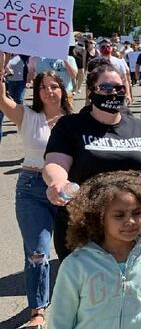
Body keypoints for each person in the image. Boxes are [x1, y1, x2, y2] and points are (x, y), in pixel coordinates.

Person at [42, 63, 141, 260]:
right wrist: (58, 182)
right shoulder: (71, 126)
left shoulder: (139, 128)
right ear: (90, 92)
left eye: (119, 88)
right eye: (105, 88)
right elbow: (55, 163)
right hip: (83, 228)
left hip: (129, 227)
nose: (113, 93)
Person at [48, 172, 141, 328]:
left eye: (137, 213)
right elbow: (60, 320)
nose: (130, 221)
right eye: (119, 215)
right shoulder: (77, 264)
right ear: (99, 218)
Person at [0, 62, 72, 329]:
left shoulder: (73, 121)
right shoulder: (27, 116)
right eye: (43, 87)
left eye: (54, 86)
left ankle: (75, 302)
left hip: (67, 189)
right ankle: (37, 310)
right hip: (31, 189)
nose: (48, 91)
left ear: (63, 90)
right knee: (38, 252)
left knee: (73, 251)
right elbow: (2, 100)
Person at [97, 38, 133, 104]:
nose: (106, 48)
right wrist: (88, 98)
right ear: (99, 49)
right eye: (103, 47)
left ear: (111, 48)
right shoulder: (95, 62)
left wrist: (128, 94)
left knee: (119, 113)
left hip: (118, 92)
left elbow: (125, 79)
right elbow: (90, 82)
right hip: (101, 92)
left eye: (108, 46)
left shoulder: (119, 62)